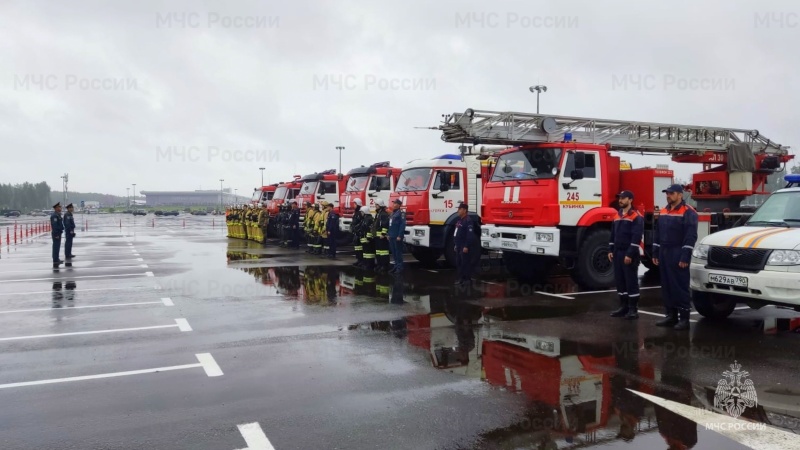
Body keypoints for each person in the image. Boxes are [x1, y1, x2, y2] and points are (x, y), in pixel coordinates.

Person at [652, 184, 698, 331]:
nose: (668, 195)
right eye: (667, 193)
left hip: (678, 251)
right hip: (664, 252)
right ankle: (671, 316)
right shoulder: (664, 211)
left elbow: (690, 236)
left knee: (679, 285)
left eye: (671, 193)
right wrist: (655, 252)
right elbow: (657, 233)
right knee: (667, 285)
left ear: (680, 195)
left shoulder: (688, 212)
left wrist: (685, 256)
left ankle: (684, 319)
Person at [608, 191, 644, 319]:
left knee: (631, 281)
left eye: (623, 198)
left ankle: (633, 309)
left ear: (631, 200)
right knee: (620, 280)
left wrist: (629, 254)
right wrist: (610, 250)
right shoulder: (617, 216)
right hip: (617, 252)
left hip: (629, 253)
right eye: (619, 198)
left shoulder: (635, 217)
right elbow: (613, 235)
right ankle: (623, 306)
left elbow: (636, 238)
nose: (620, 200)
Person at [453, 202, 475, 285]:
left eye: (460, 209)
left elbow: (469, 235)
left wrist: (466, 246)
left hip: (464, 245)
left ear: (464, 210)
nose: (458, 211)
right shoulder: (460, 220)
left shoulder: (468, 221)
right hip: (458, 245)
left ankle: (467, 279)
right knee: (459, 262)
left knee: (465, 262)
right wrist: (455, 244)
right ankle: (461, 279)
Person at [387, 198, 406, 274]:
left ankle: (399, 267)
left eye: (395, 203)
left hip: (397, 236)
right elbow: (390, 225)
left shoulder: (401, 213)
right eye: (393, 203)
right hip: (391, 235)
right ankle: (395, 266)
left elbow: (402, 225)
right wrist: (388, 234)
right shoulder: (392, 213)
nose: (393, 205)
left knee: (398, 252)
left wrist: (400, 235)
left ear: (398, 205)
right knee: (394, 252)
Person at [373, 198, 390, 272]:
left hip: (382, 237)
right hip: (377, 236)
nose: (375, 206)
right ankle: (379, 265)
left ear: (380, 205)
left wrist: (383, 234)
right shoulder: (378, 213)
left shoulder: (383, 214)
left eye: (376, 205)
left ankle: (384, 266)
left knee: (383, 252)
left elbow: (385, 225)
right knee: (378, 252)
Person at [350, 198, 364, 267]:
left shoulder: (360, 213)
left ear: (358, 204)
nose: (353, 205)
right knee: (357, 248)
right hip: (355, 233)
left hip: (359, 233)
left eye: (355, 204)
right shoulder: (355, 213)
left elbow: (361, 223)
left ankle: (361, 260)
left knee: (360, 248)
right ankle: (359, 260)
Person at [50, 202, 64, 268]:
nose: (60, 208)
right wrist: (56, 234)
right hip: (56, 233)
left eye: (60, 207)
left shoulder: (58, 215)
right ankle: (55, 259)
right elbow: (54, 226)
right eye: (59, 207)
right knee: (56, 246)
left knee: (57, 246)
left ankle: (57, 258)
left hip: (59, 232)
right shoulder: (54, 216)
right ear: (56, 208)